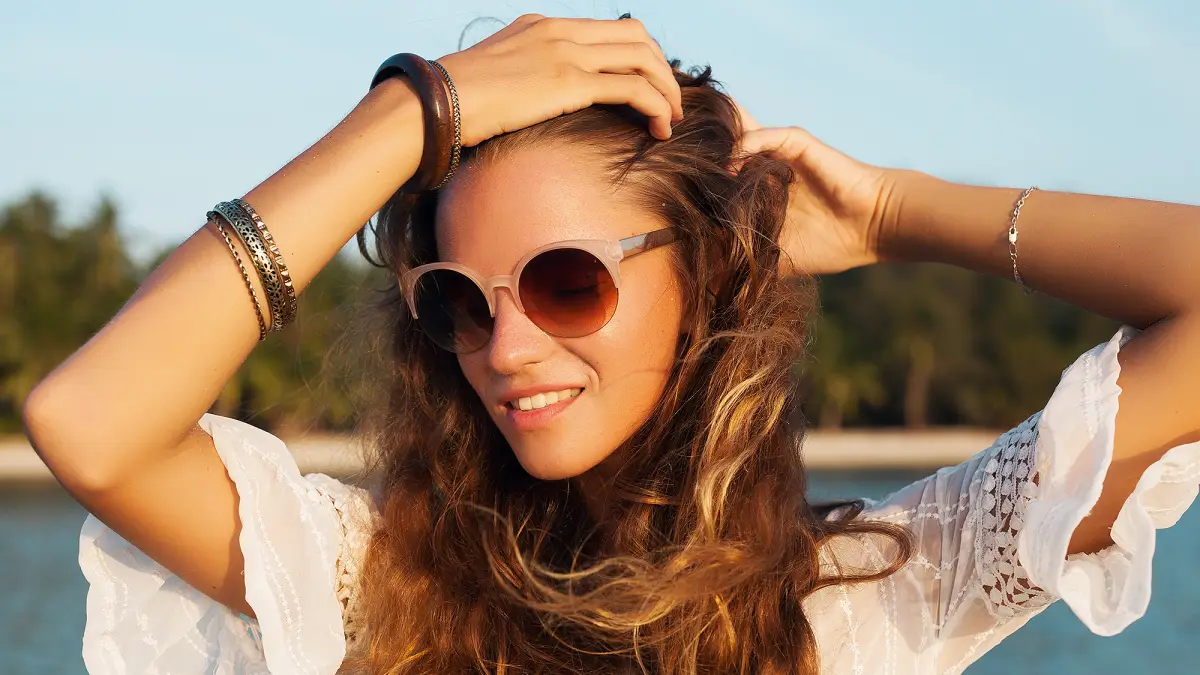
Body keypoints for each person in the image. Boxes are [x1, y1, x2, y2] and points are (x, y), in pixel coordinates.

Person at [21, 14, 1200, 675]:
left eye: (566, 282)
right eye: (458, 304)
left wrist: (898, 212)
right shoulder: (373, 583)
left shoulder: (875, 594)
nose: (506, 346)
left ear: (698, 286)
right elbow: (91, 425)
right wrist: (410, 112)